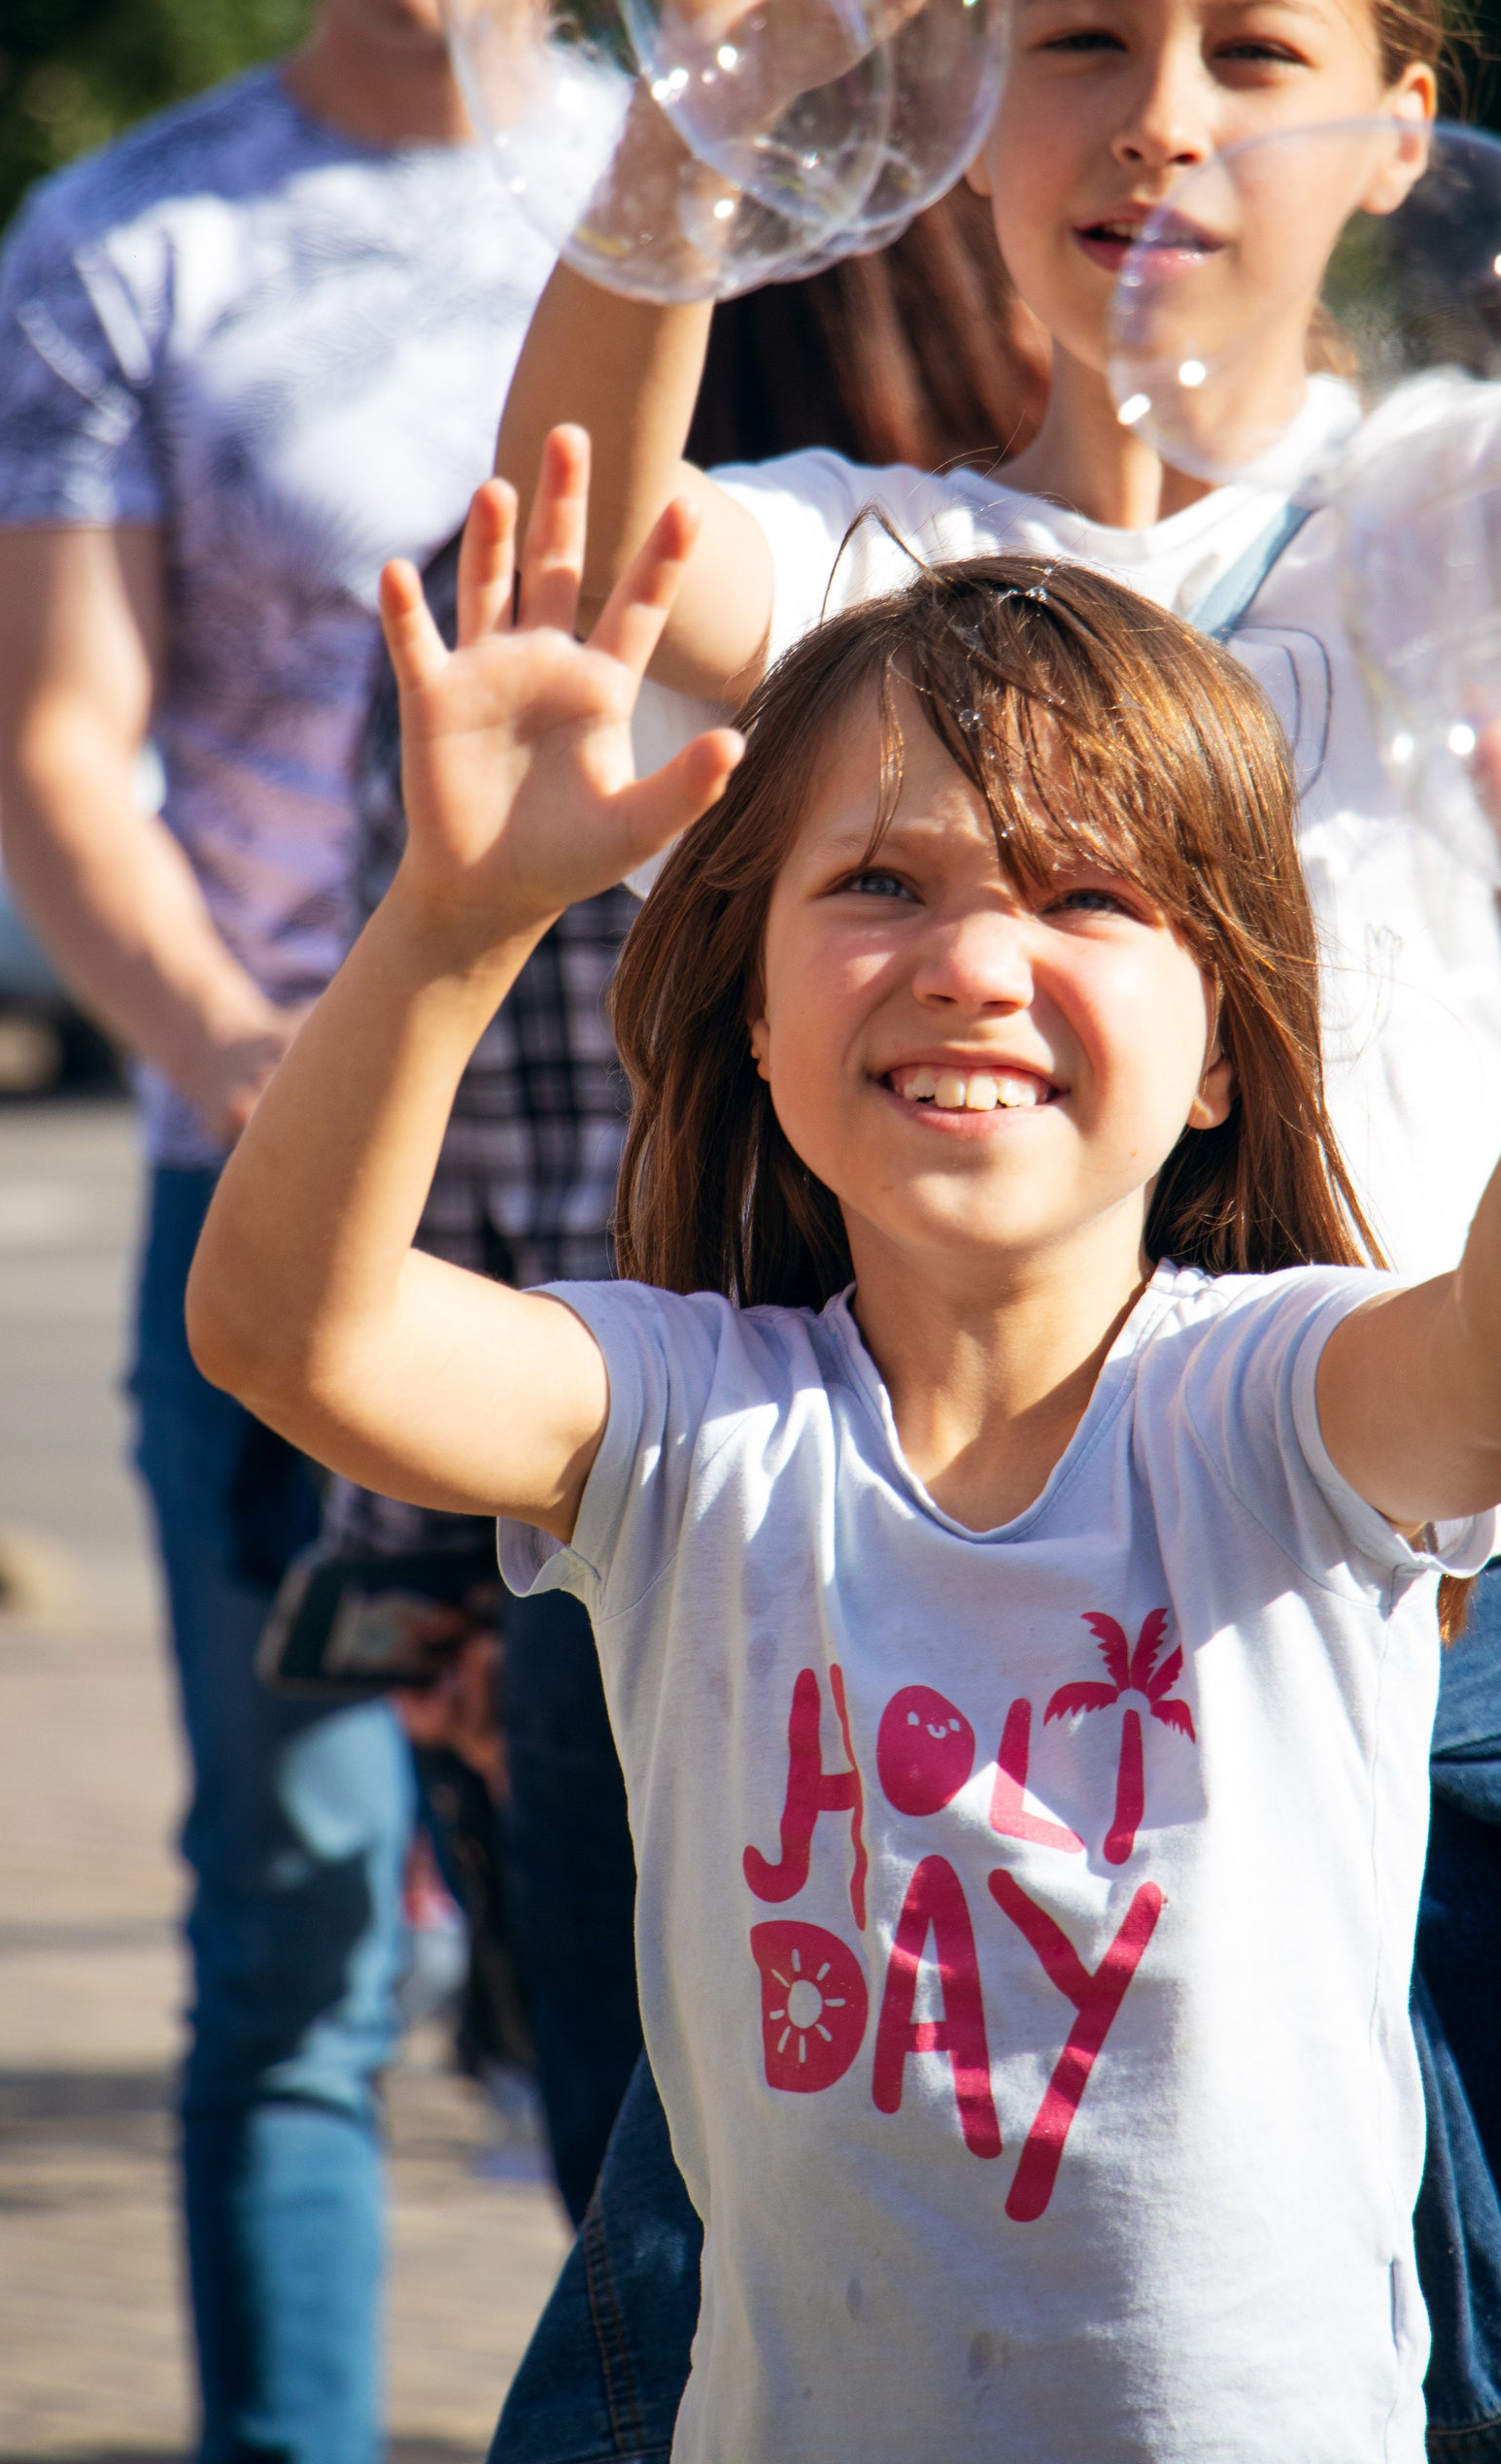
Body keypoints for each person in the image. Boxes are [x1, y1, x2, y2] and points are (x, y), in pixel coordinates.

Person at [488, 0, 1501, 2458]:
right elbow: (567, 546)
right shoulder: (878, 555)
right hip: (905, 1608)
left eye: (1259, 50)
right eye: (1085, 37)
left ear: (1405, 135)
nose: (1164, 116)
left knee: (1475, 2344)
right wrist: (696, 130)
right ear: (962, 105)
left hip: (1470, 1601)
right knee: (814, 2284)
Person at [183, 454, 1501, 2459]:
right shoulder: (689, 1423)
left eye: (1089, 896)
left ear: (1226, 1052)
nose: (970, 960)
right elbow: (291, 1332)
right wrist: (450, 924)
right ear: (751, 1012)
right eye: (882, 883)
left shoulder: (1273, 1405)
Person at [0, 0, 559, 2454]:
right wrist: (248, 1064)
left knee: (685, 1934)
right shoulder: (128, 238)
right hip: (274, 1194)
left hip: (657, 1205)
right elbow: (65, 748)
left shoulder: (717, 220)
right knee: (301, 1942)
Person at [324, 176, 1046, 2226]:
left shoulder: (506, 614)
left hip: (593, 1452)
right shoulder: (1048, 622)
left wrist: (425, 1576)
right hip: (939, 1430)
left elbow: (441, 1142)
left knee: (662, 2223)